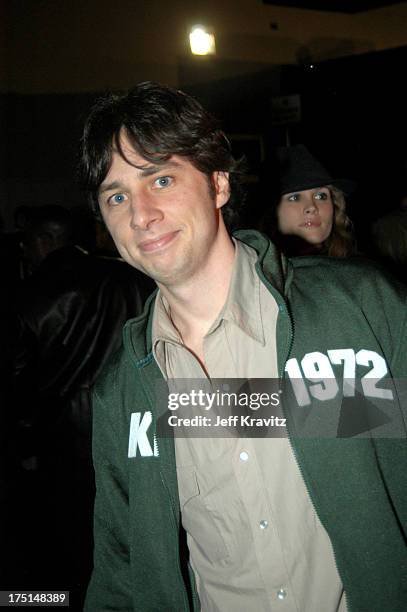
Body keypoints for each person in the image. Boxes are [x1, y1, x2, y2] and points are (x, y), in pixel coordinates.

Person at [80, 81, 407, 612]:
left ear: (218, 185)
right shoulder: (125, 390)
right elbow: (121, 568)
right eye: (116, 196)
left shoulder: (360, 311)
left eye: (160, 179)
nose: (140, 214)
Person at [12, 204, 154, 609]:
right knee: (127, 532)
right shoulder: (133, 277)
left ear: (43, 241)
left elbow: (18, 380)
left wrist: (24, 446)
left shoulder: (28, 294)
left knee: (65, 542)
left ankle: (56, 601)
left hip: (60, 441)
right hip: (133, 429)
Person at [260, 144, 355, 257]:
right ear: (273, 212)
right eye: (294, 198)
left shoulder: (363, 271)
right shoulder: (250, 271)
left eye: (321, 196)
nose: (312, 207)